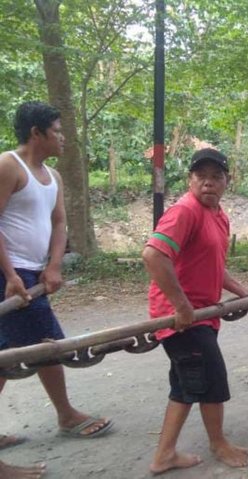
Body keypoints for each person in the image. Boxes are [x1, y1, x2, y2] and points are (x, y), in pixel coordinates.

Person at [0, 101, 113, 478]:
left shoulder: (53, 176)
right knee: (8, 357)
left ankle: (65, 414)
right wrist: (11, 274)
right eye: (57, 130)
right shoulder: (7, 166)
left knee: (46, 345)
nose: (63, 137)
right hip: (7, 278)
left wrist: (53, 265)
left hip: (33, 277)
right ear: (36, 133)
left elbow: (59, 222)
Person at [142, 148, 248, 474]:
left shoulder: (219, 215)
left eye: (216, 177)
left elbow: (214, 266)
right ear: (190, 180)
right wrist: (181, 305)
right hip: (182, 318)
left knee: (186, 384)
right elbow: (153, 256)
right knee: (211, 379)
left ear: (227, 182)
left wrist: (243, 292)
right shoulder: (184, 212)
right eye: (200, 176)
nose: (208, 183)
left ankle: (164, 455)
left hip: (201, 313)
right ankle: (219, 444)